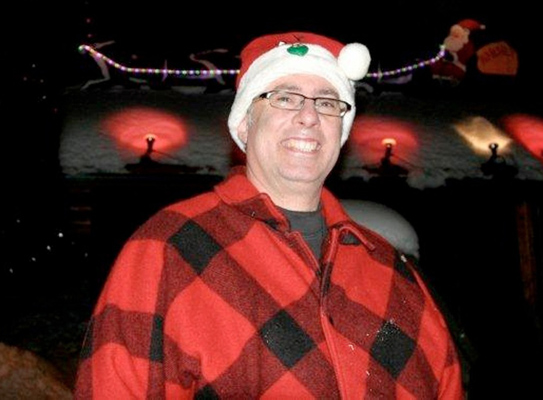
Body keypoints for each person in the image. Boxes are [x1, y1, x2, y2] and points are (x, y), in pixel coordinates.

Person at [74, 31, 465, 399]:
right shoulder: (170, 248)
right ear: (245, 124)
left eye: (327, 103)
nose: (309, 116)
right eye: (285, 97)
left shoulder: (392, 270)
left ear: (341, 132)